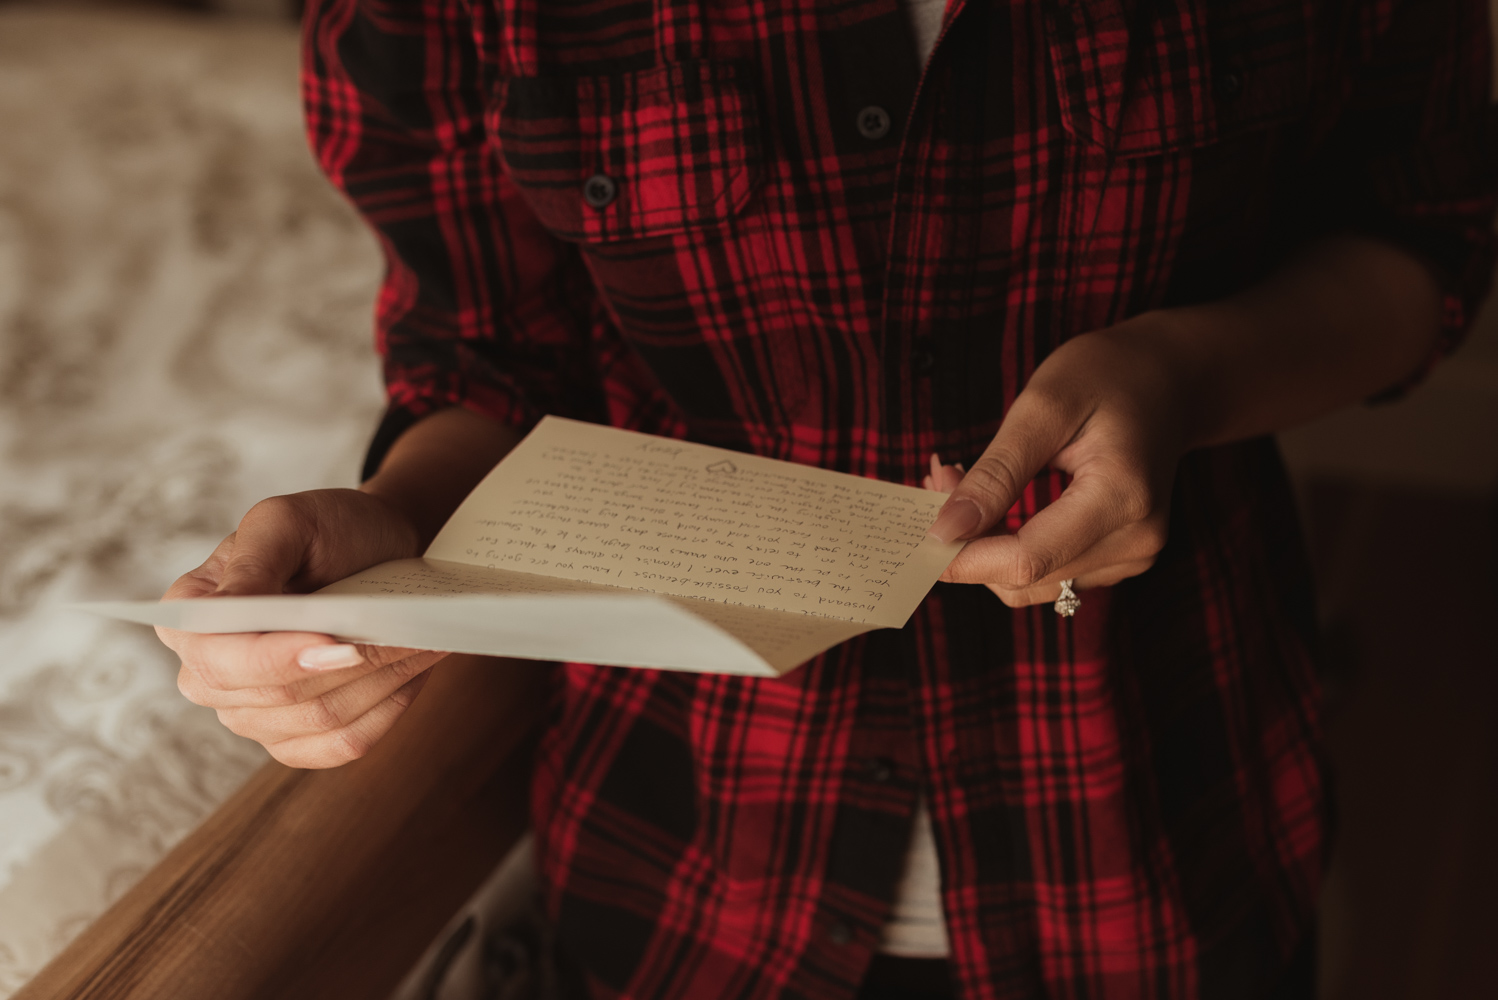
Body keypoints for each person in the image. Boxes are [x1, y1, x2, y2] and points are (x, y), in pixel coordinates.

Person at [158, 0, 1495, 996]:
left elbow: (1421, 231)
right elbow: (495, 365)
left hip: (1162, 830)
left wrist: (1191, 375)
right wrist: (394, 527)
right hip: (688, 869)